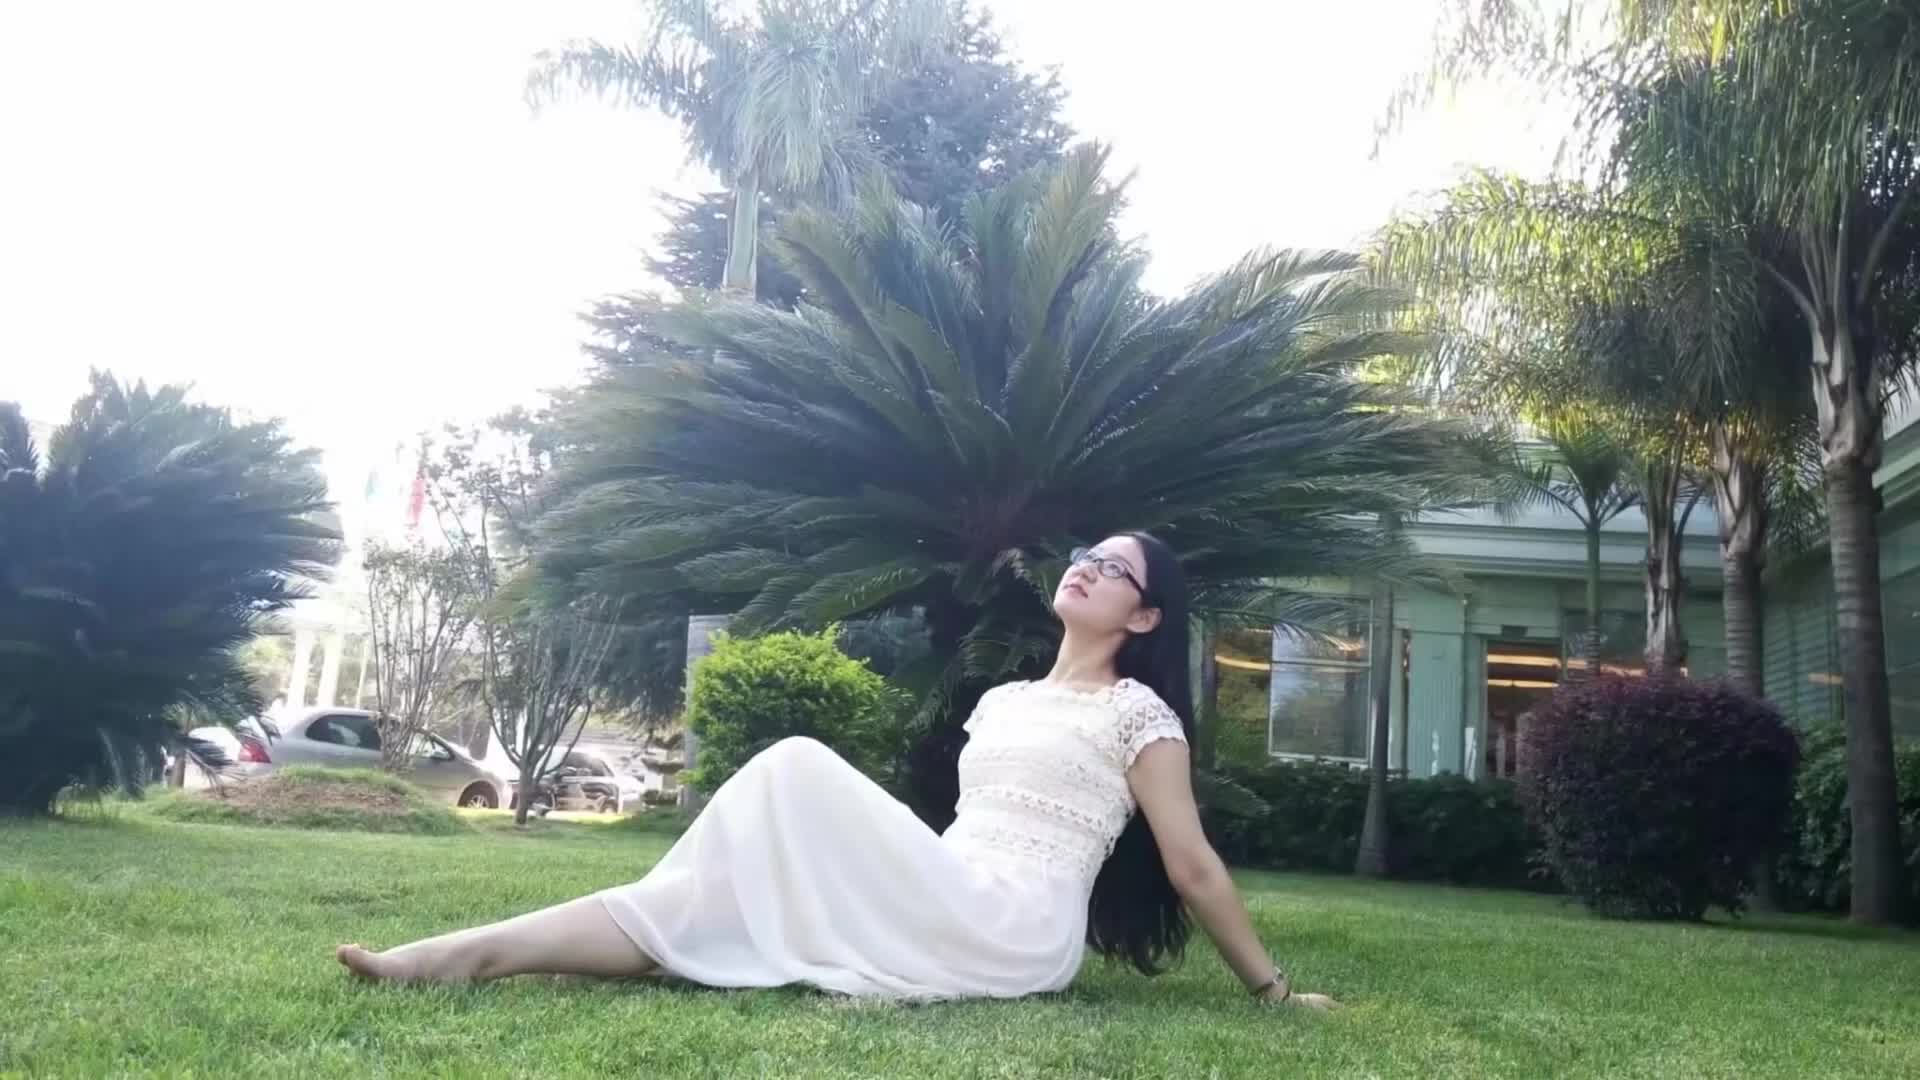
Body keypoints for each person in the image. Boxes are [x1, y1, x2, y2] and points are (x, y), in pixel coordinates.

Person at [336, 533, 1338, 1009]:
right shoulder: (1000, 700)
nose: (1086, 565)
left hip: (1018, 927)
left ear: (1146, 616)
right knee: (708, 898)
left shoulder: (1140, 717)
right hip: (955, 887)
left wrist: (1273, 990)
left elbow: (1191, 865)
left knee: (794, 766)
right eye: (1085, 553)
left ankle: (472, 957)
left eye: (1114, 569)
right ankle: (461, 955)